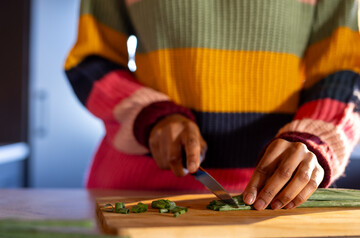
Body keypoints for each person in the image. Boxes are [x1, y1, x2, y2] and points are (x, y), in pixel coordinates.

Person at [65, 0, 360, 210]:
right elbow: (90, 62)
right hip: (134, 192)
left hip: (273, 200)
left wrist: (314, 139)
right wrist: (151, 115)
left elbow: (344, 72)